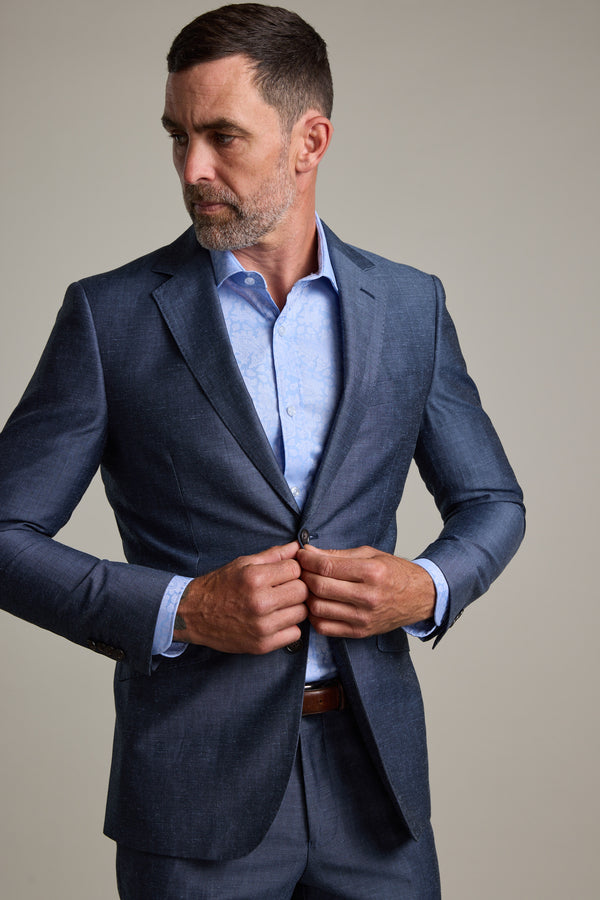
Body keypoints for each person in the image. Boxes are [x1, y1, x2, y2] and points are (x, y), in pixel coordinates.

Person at [0, 4, 525, 898]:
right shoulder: (111, 316)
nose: (192, 169)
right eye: (177, 137)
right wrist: (182, 608)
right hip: (192, 796)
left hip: (377, 787)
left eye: (221, 136)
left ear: (308, 140)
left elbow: (492, 501)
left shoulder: (409, 307)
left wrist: (426, 586)